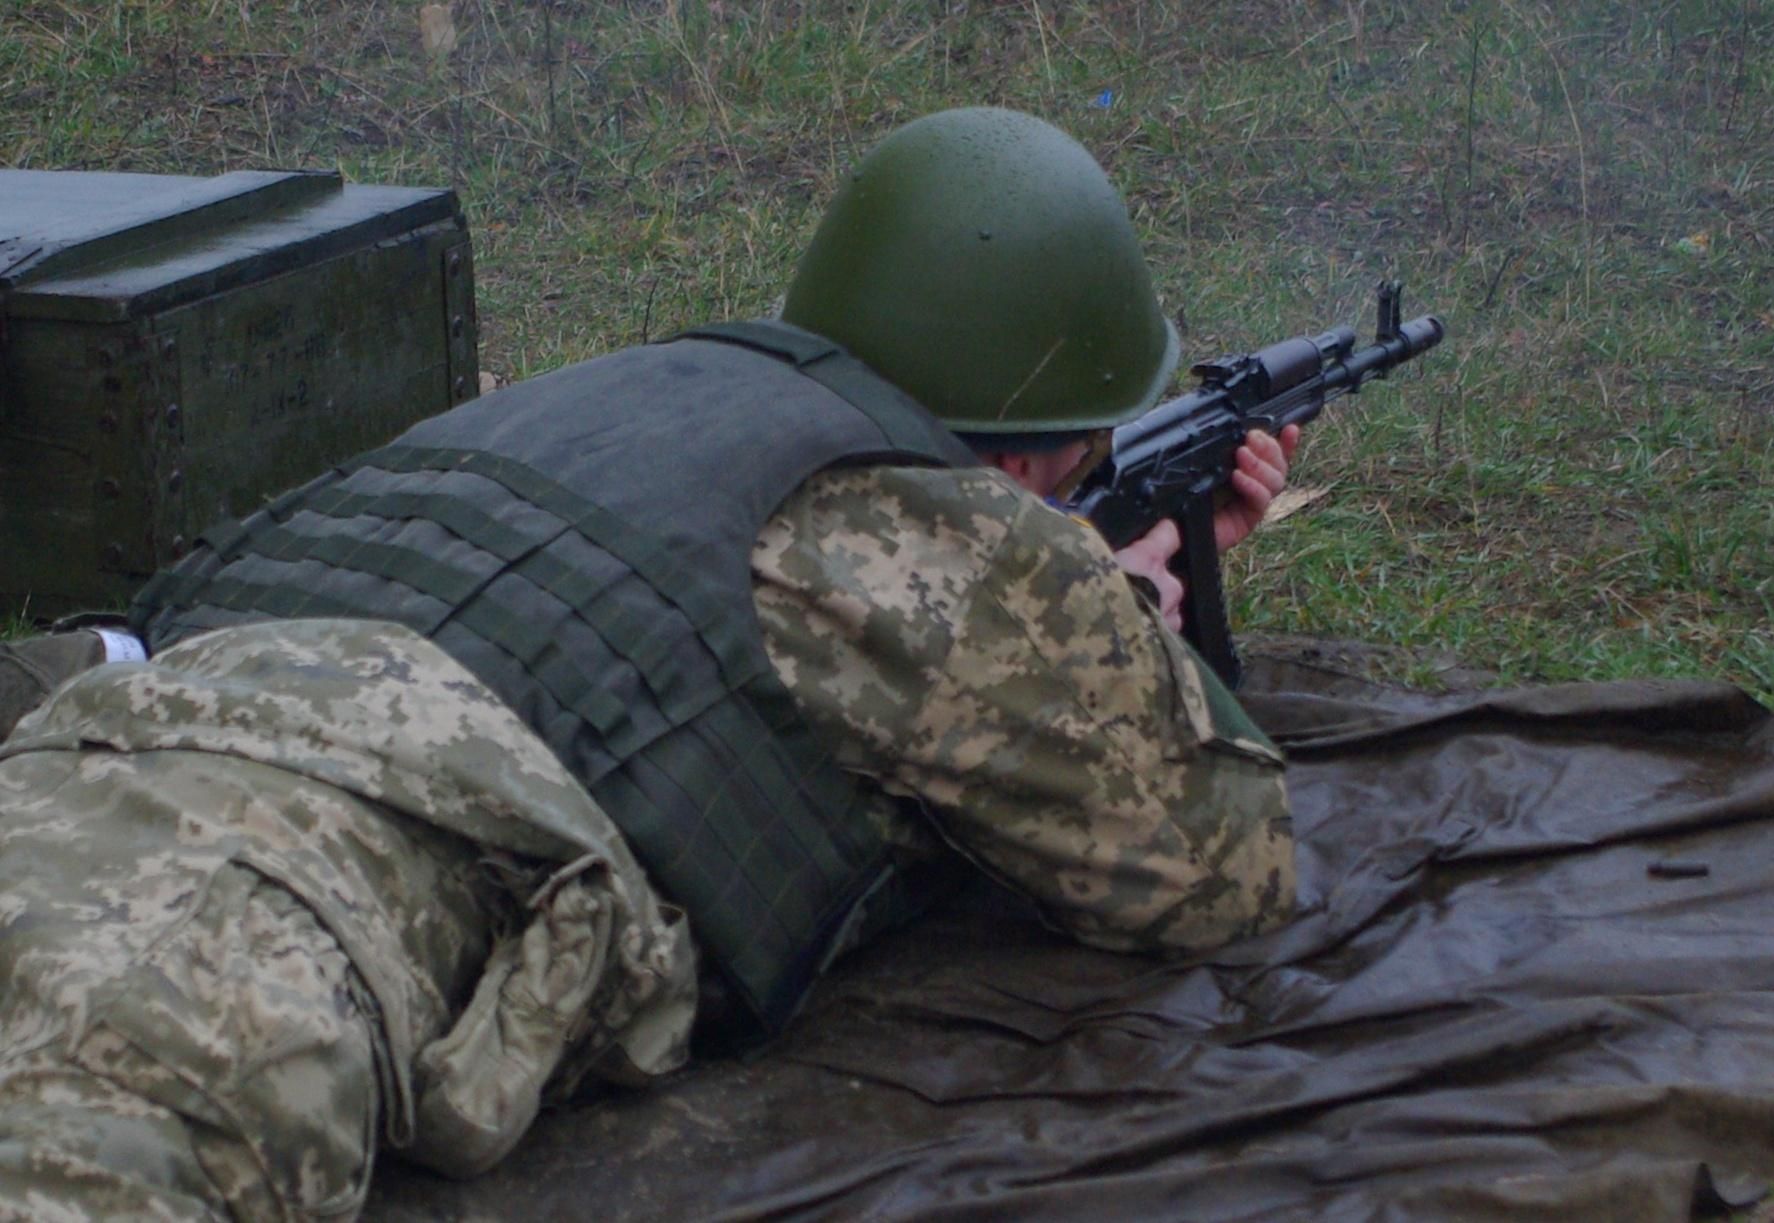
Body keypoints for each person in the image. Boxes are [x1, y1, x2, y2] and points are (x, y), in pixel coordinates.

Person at [0, 107, 1298, 1221]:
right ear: (1031, 460)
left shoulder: (617, 398)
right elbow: (1211, 871)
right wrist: (1112, 619)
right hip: (225, 911)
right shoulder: (936, 529)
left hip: (72, 759)